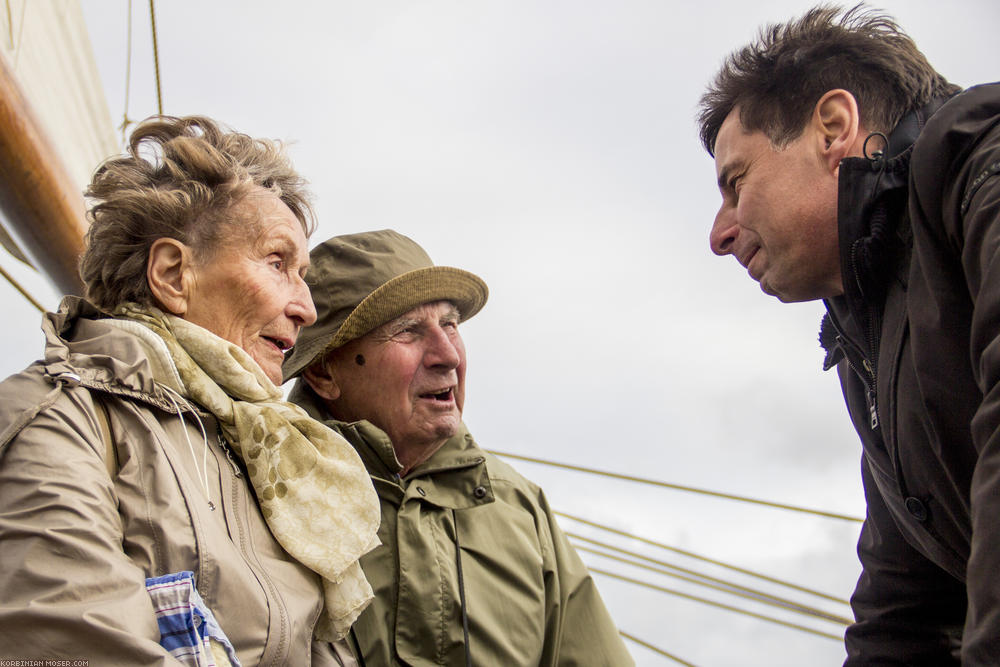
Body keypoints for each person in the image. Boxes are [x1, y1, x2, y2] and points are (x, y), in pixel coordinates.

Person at [0, 116, 380, 665]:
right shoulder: (60, 418)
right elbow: (72, 641)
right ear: (174, 275)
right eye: (278, 263)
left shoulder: (271, 457)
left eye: (304, 275)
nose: (307, 308)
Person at [697, 4, 1000, 665]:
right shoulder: (869, 328)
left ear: (833, 129)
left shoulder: (983, 171)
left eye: (735, 182)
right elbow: (903, 611)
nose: (718, 234)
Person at [283, 229, 633, 666]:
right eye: (408, 331)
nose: (447, 354)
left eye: (450, 324)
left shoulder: (517, 505)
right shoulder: (260, 491)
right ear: (323, 373)